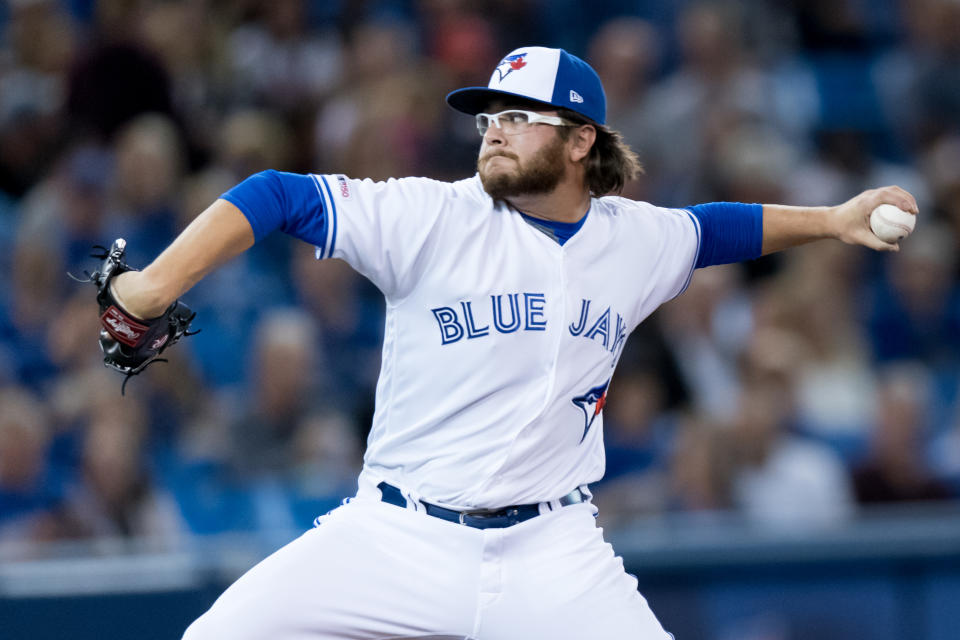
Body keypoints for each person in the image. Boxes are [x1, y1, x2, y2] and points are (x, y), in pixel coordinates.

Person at [105, 47, 917, 639]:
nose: (495, 132)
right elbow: (276, 193)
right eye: (491, 118)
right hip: (397, 535)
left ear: (580, 142)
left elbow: (718, 230)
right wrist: (149, 289)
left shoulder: (636, 239)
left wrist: (837, 220)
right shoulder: (430, 215)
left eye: (521, 118)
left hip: (551, 552)